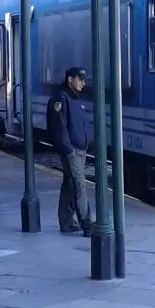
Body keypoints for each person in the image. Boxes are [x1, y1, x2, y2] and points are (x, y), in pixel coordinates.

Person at [47, 67, 94, 235]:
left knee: (70, 184)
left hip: (80, 149)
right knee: (79, 184)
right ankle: (87, 223)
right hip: (72, 150)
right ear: (70, 80)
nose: (83, 83)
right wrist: (68, 149)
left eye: (84, 80)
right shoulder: (60, 98)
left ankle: (66, 221)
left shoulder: (75, 99)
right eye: (80, 79)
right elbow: (59, 127)